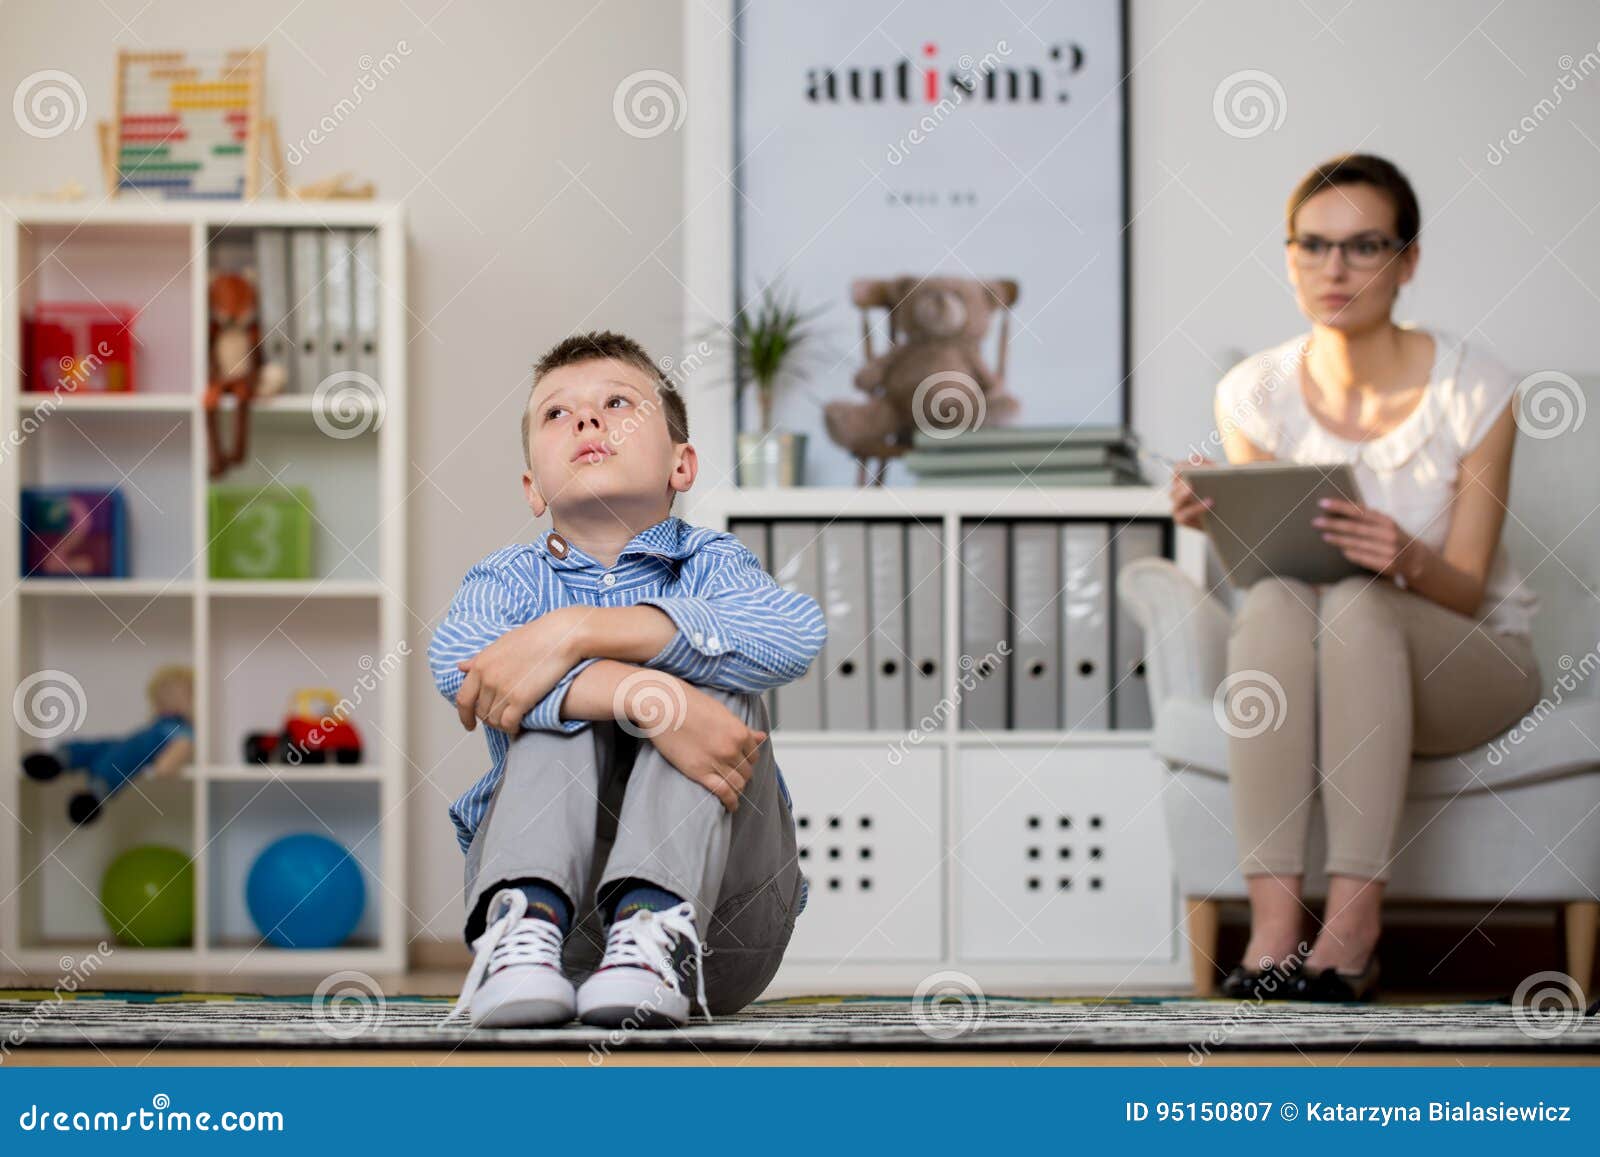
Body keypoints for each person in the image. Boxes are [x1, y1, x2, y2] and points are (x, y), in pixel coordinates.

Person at [1169, 154, 1541, 1001]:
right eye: (1314, 245)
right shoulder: (1251, 391)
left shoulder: (1479, 388)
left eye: (1365, 245)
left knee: (1359, 605)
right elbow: (1273, 581)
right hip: (1330, 649)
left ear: (1408, 261)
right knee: (1277, 598)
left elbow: (1468, 588)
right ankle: (1271, 933)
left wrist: (1402, 553)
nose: (1334, 268)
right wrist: (1219, 517)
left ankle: (1353, 928)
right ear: (1290, 255)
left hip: (1473, 660)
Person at [429, 331, 826, 1027]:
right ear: (532, 488)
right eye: (556, 413)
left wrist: (573, 633)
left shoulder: (714, 562)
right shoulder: (505, 580)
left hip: (719, 933)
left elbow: (794, 634)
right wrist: (653, 700)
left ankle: (652, 930)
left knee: (714, 654)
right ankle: (523, 928)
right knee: (563, 705)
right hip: (560, 932)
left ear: (682, 464)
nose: (586, 420)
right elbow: (465, 665)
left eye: (618, 403)